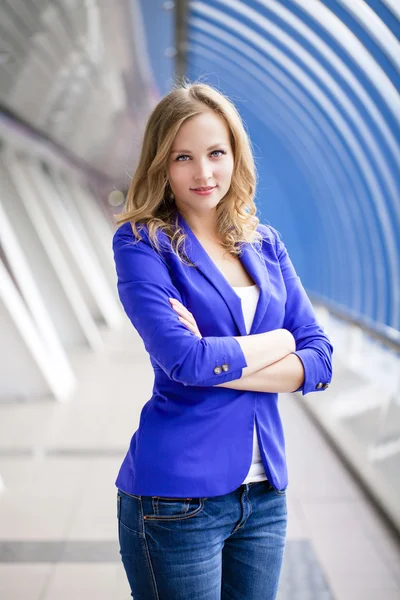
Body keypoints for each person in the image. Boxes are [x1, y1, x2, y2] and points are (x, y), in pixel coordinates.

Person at [112, 81, 333, 600]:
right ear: (161, 166)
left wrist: (222, 360)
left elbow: (320, 358)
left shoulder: (264, 242)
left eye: (216, 152)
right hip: (175, 499)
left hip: (264, 497)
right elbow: (184, 360)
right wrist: (280, 340)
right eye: (183, 157)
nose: (203, 172)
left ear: (236, 154)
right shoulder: (144, 244)